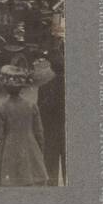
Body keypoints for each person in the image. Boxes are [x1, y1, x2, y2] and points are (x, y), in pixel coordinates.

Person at [0, 65, 48, 187]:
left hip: (9, 151)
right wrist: (39, 152)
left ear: (4, 87)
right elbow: (39, 132)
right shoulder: (31, 106)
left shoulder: (1, 109)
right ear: (22, 87)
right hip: (30, 149)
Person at [37, 48, 66, 186]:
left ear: (52, 68)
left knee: (50, 170)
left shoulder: (44, 87)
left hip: (50, 135)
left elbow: (40, 113)